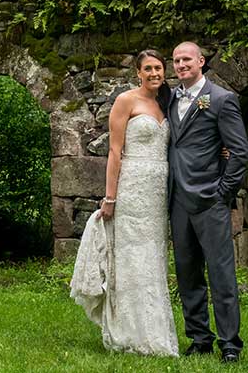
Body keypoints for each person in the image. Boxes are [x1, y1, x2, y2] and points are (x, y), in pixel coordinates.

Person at [70, 49, 178, 357]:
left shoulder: (166, 103)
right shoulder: (126, 101)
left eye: (158, 68)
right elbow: (115, 152)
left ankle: (155, 330)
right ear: (138, 73)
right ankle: (127, 332)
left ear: (164, 71)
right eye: (148, 69)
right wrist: (111, 197)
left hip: (158, 189)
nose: (154, 73)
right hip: (131, 186)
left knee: (153, 257)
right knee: (130, 257)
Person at [167, 41, 248, 363]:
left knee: (221, 274)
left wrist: (223, 192)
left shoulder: (221, 100)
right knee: (187, 274)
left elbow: (239, 151)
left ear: (201, 61)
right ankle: (199, 337)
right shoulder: (170, 98)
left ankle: (230, 343)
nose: (181, 65)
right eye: (176, 60)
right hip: (178, 202)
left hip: (210, 201)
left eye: (186, 59)